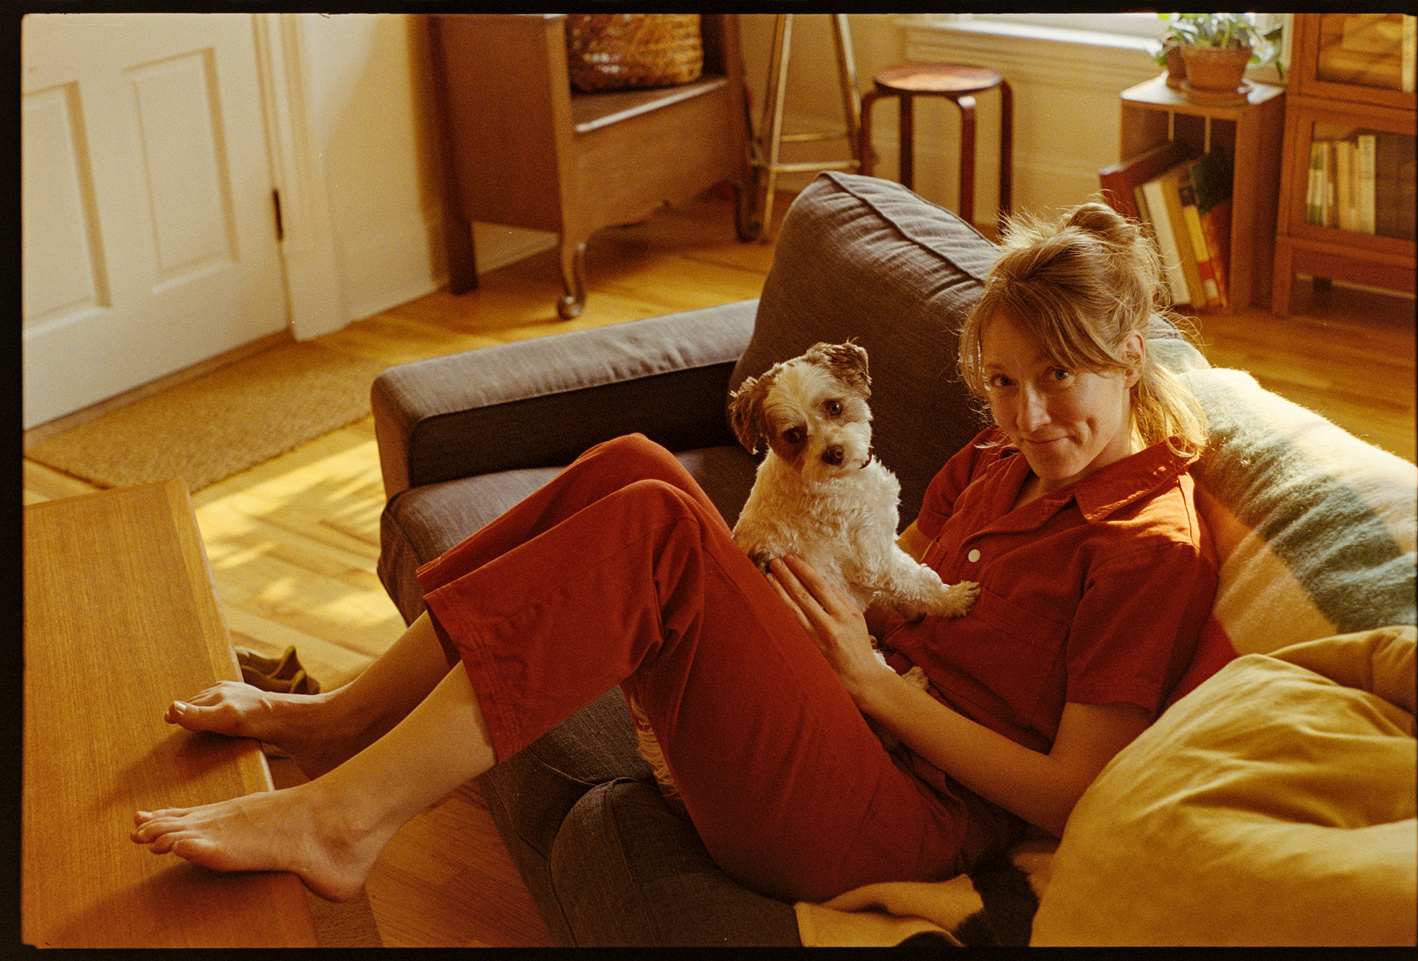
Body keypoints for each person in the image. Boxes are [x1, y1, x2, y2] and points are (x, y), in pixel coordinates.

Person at [131, 201, 1217, 909]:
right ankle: (341, 720)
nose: (1026, 415)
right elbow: (895, 571)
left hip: (896, 812)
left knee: (655, 529)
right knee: (632, 466)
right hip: (839, 714)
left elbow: (1074, 791)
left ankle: (343, 817)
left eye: (1057, 379)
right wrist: (791, 630)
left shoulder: (1145, 543)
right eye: (1004, 382)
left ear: (1127, 354)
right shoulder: (1001, 457)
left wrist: (869, 684)